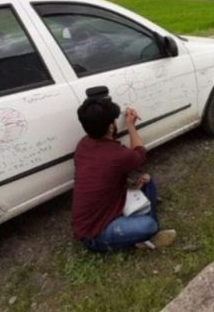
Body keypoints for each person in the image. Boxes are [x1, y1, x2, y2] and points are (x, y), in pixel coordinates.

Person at [72, 95, 176, 251]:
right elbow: (140, 152)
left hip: (100, 212)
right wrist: (130, 125)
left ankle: (135, 223)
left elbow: (104, 176)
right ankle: (146, 236)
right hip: (94, 234)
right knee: (149, 225)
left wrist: (131, 185)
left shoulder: (83, 145)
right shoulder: (117, 154)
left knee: (147, 181)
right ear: (111, 127)